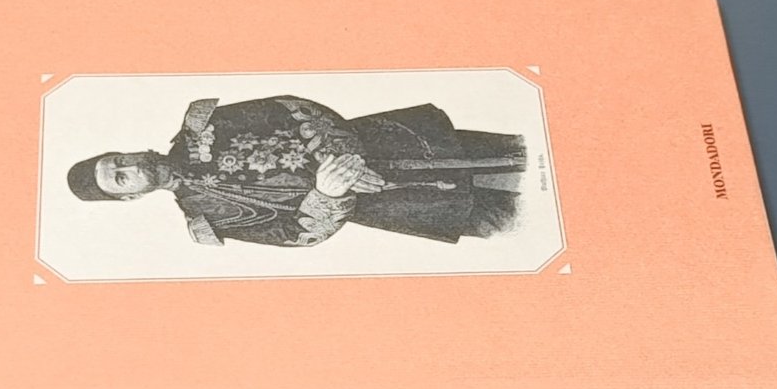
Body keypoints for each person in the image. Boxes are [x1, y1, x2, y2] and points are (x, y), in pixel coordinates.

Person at [67, 95, 526, 247]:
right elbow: (295, 235)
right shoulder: (206, 220)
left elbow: (290, 107)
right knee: (513, 215)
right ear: (131, 197)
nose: (130, 166)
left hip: (396, 141)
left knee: (526, 158)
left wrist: (340, 155)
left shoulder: (201, 123)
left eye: (119, 159)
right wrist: (329, 193)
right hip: (398, 204)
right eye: (121, 178)